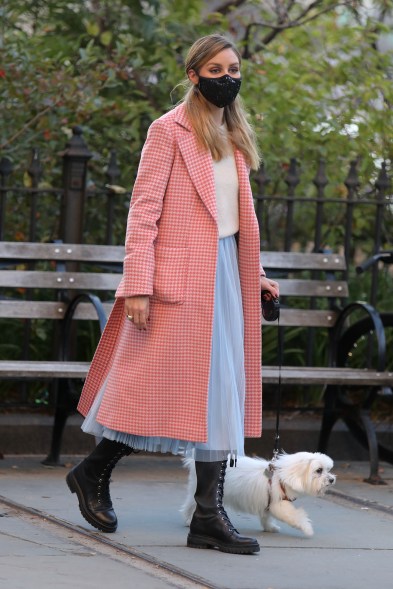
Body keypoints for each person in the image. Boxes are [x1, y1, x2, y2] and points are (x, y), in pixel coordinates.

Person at [66, 33, 279, 555]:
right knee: (153, 387)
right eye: (217, 69)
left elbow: (231, 219)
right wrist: (137, 284)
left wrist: (254, 275)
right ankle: (92, 471)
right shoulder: (168, 131)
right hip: (177, 282)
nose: (228, 77)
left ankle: (208, 516)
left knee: (219, 396)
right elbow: (143, 213)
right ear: (193, 75)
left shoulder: (234, 132)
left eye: (234, 68)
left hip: (225, 275)